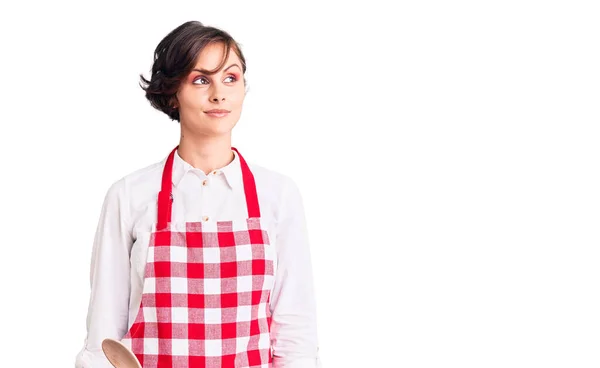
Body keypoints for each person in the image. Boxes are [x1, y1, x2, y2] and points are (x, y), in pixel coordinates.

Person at [75, 20, 320, 368]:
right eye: (201, 79)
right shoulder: (128, 195)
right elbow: (104, 338)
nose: (219, 93)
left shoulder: (278, 195)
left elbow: (296, 337)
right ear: (173, 91)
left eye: (230, 78)